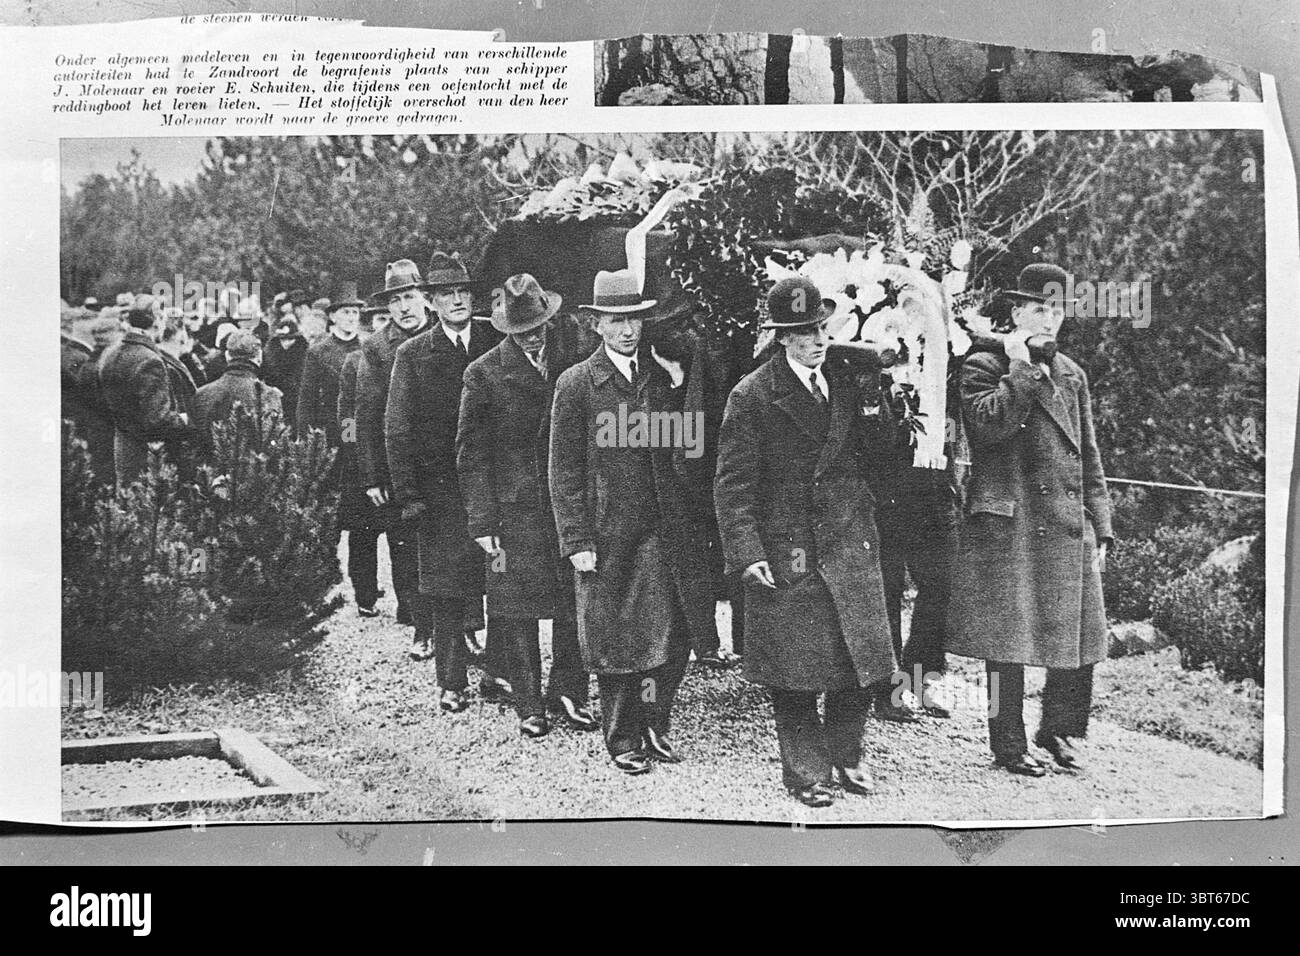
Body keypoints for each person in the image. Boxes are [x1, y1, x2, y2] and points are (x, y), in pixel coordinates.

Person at [713, 276, 897, 808]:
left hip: (849, 537)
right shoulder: (752, 395)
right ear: (781, 339)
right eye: (802, 332)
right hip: (788, 547)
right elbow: (734, 483)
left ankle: (847, 756)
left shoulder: (847, 381)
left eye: (820, 328)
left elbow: (883, 454)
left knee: (855, 657)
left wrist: (874, 403)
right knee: (794, 671)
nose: (817, 340)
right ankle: (806, 771)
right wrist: (746, 553)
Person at [948, 263, 1112, 777]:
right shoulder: (981, 365)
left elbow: (1087, 453)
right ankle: (1007, 743)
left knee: (1080, 634)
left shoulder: (1071, 374)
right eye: (1039, 309)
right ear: (1016, 312)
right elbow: (991, 426)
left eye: (1057, 310)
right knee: (1007, 642)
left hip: (1064, 520)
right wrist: (1020, 367)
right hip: (1011, 521)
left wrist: (1101, 524)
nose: (1050, 319)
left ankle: (1059, 730)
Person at [549, 269, 702, 775]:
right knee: (618, 637)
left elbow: (690, 447)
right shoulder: (576, 385)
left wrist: (681, 391)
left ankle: (656, 721)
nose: (628, 331)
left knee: (669, 635)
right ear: (596, 325)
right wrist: (577, 538)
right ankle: (622, 736)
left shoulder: (660, 377)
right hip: (610, 531)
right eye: (616, 321)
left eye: (635, 319)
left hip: (663, 526)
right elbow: (563, 470)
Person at [457, 273, 595, 737]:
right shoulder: (483, 373)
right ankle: (528, 701)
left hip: (567, 505)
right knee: (516, 608)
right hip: (514, 513)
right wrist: (481, 520)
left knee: (574, 602)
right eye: (522, 331)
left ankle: (569, 692)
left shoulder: (574, 363)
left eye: (539, 326)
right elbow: (471, 454)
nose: (533, 336)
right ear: (507, 331)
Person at [386, 251, 505, 711]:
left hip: (492, 484)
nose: (456, 301)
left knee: (501, 581)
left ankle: (500, 670)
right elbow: (397, 429)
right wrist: (409, 495)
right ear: (431, 302)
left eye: (462, 292)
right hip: (440, 493)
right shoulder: (412, 355)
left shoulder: (496, 338)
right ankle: (451, 681)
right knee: (447, 589)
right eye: (445, 294)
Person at [354, 260, 433, 645]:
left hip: (444, 462)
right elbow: (365, 417)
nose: (404, 307)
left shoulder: (445, 332)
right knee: (404, 548)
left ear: (425, 298)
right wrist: (371, 477)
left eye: (410, 296)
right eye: (396, 299)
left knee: (453, 546)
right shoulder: (376, 348)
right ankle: (422, 628)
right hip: (396, 465)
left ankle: (465, 628)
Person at [97, 294, 193, 488]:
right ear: (156, 321)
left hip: (123, 450)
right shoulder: (150, 360)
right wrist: (187, 419)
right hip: (149, 458)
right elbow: (157, 421)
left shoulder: (110, 354)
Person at [193, 330, 284, 446]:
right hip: (254, 462)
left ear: (227, 356)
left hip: (209, 463)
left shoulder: (201, 394)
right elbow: (274, 444)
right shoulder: (268, 396)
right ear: (259, 356)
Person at [262, 316, 309, 429]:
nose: (286, 343)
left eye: (290, 339)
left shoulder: (304, 356)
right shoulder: (270, 355)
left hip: (297, 401)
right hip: (275, 400)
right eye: (283, 339)